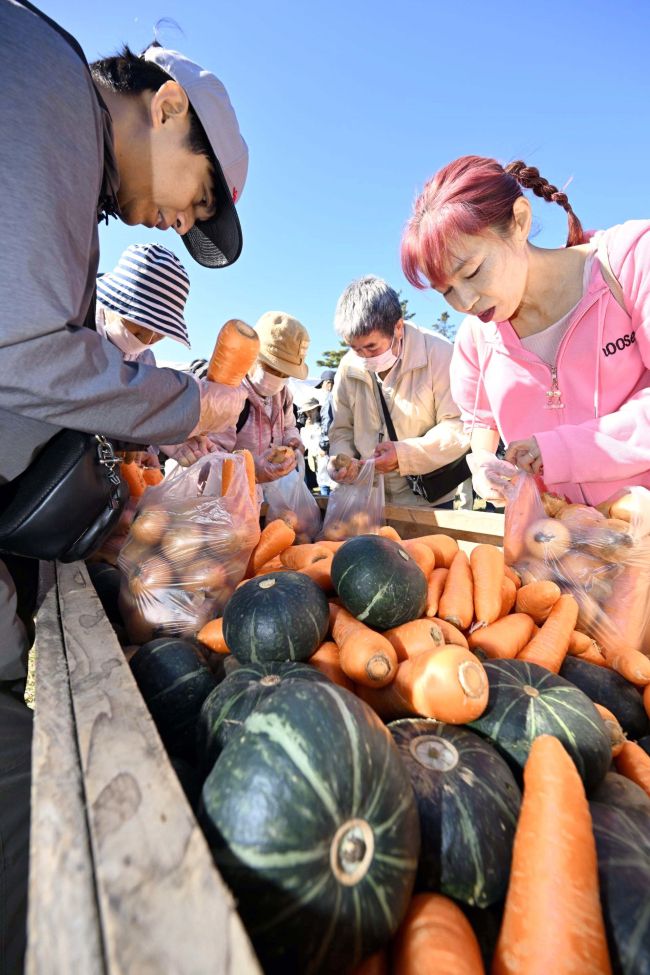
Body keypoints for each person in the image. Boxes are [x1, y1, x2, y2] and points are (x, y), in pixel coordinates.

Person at [0, 3, 250, 967]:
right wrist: (190, 406)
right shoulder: (45, 84)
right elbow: (28, 348)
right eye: (197, 197)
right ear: (168, 105)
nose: (181, 222)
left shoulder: (60, 137)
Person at [401, 155, 650, 507]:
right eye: (447, 291)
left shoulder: (630, 262)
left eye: (472, 272)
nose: (466, 302)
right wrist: (484, 466)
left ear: (520, 220)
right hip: (554, 534)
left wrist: (560, 450)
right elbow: (481, 424)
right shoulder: (475, 339)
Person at [328, 276, 469, 507]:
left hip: (428, 497)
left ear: (398, 328)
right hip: (369, 496)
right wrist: (341, 460)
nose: (364, 357)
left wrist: (405, 455)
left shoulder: (439, 353)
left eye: (372, 347)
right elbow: (341, 430)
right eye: (355, 349)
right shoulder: (348, 366)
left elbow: (458, 425)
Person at [210, 312, 310, 486]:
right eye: (272, 368)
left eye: (285, 373)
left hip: (268, 491)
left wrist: (292, 441)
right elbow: (210, 457)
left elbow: (288, 427)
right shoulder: (229, 394)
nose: (278, 377)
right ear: (253, 357)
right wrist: (251, 470)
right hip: (230, 491)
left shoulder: (284, 396)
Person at [299, 396, 323, 492]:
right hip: (313, 456)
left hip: (324, 455)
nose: (309, 413)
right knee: (320, 480)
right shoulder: (306, 424)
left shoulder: (325, 421)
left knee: (326, 483)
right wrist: (307, 429)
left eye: (311, 410)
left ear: (317, 409)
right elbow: (305, 443)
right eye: (306, 411)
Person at [315, 368, 335, 452]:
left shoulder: (330, 398)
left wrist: (324, 443)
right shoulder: (344, 396)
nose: (322, 388)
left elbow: (327, 421)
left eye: (322, 384)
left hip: (332, 443)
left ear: (328, 383)